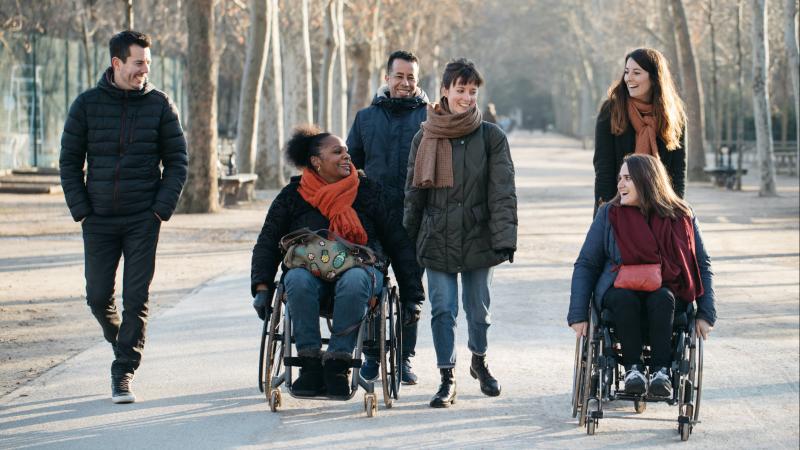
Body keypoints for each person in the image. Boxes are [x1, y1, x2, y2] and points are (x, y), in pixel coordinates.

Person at [59, 30, 188, 404]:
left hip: (141, 219)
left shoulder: (161, 105)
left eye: (147, 63)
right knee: (98, 297)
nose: (144, 71)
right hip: (98, 219)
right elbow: (69, 162)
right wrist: (82, 209)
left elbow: (177, 162)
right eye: (138, 63)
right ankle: (122, 341)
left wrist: (159, 210)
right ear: (117, 63)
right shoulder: (86, 105)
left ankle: (123, 371)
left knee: (136, 297)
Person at [251, 125, 424, 397]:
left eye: (346, 151)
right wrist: (261, 287)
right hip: (310, 277)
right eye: (337, 152)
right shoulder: (292, 196)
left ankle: (337, 364)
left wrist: (413, 295)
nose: (347, 156)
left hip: (363, 274)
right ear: (316, 162)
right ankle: (308, 364)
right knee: (295, 277)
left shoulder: (369, 192)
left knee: (354, 279)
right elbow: (267, 241)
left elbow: (398, 243)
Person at [404, 58, 517, 408]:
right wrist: (407, 237)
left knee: (478, 309)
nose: (467, 97)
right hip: (437, 235)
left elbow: (502, 192)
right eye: (460, 90)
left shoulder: (491, 137)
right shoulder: (426, 135)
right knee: (443, 309)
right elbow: (414, 191)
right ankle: (446, 376)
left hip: (479, 235)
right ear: (445, 91)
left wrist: (504, 238)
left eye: (472, 91)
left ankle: (479, 360)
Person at [568, 154, 716, 397]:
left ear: (647, 180)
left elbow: (702, 263)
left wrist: (705, 314)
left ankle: (661, 372)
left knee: (662, 298)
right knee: (623, 298)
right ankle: (633, 370)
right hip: (620, 291)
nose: (620, 185)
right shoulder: (609, 214)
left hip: (668, 292)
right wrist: (578, 314)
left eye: (627, 178)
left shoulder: (681, 216)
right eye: (619, 178)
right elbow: (586, 264)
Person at [346, 50, 428, 385]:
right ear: (386, 78)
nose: (405, 82)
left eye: (411, 77)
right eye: (399, 76)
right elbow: (349, 168)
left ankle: (405, 358)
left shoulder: (430, 117)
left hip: (414, 220)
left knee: (411, 292)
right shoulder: (365, 118)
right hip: (374, 223)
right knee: (371, 287)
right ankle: (370, 357)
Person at [594, 48, 687, 215]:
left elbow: (678, 168)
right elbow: (603, 166)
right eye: (626, 72)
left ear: (655, 78)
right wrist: (607, 208)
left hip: (659, 205)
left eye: (637, 73)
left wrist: (675, 207)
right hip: (617, 203)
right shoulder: (612, 110)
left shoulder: (673, 114)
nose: (629, 78)